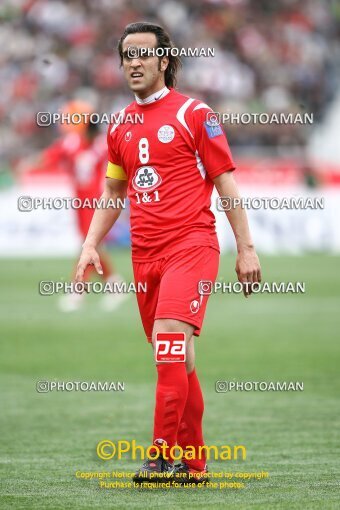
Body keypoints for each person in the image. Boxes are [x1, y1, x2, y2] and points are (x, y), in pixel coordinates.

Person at [75, 22, 261, 484]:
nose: (133, 62)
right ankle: (194, 466)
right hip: (145, 256)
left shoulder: (194, 114)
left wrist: (247, 248)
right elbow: (114, 191)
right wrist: (90, 243)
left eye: (143, 54)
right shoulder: (118, 125)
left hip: (192, 247)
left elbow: (226, 183)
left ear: (164, 61)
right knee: (179, 361)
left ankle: (160, 455)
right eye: (126, 55)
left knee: (169, 349)